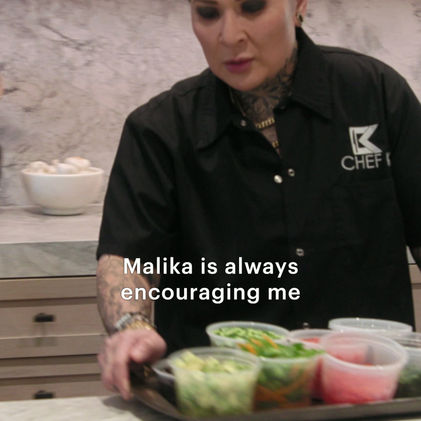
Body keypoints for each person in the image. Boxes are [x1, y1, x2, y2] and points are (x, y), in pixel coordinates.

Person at [96, 0, 421, 400]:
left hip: (369, 394)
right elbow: (127, 257)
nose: (229, 36)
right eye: (208, 13)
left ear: (298, 6)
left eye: (252, 7)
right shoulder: (160, 130)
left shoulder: (374, 94)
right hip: (219, 397)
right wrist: (130, 326)